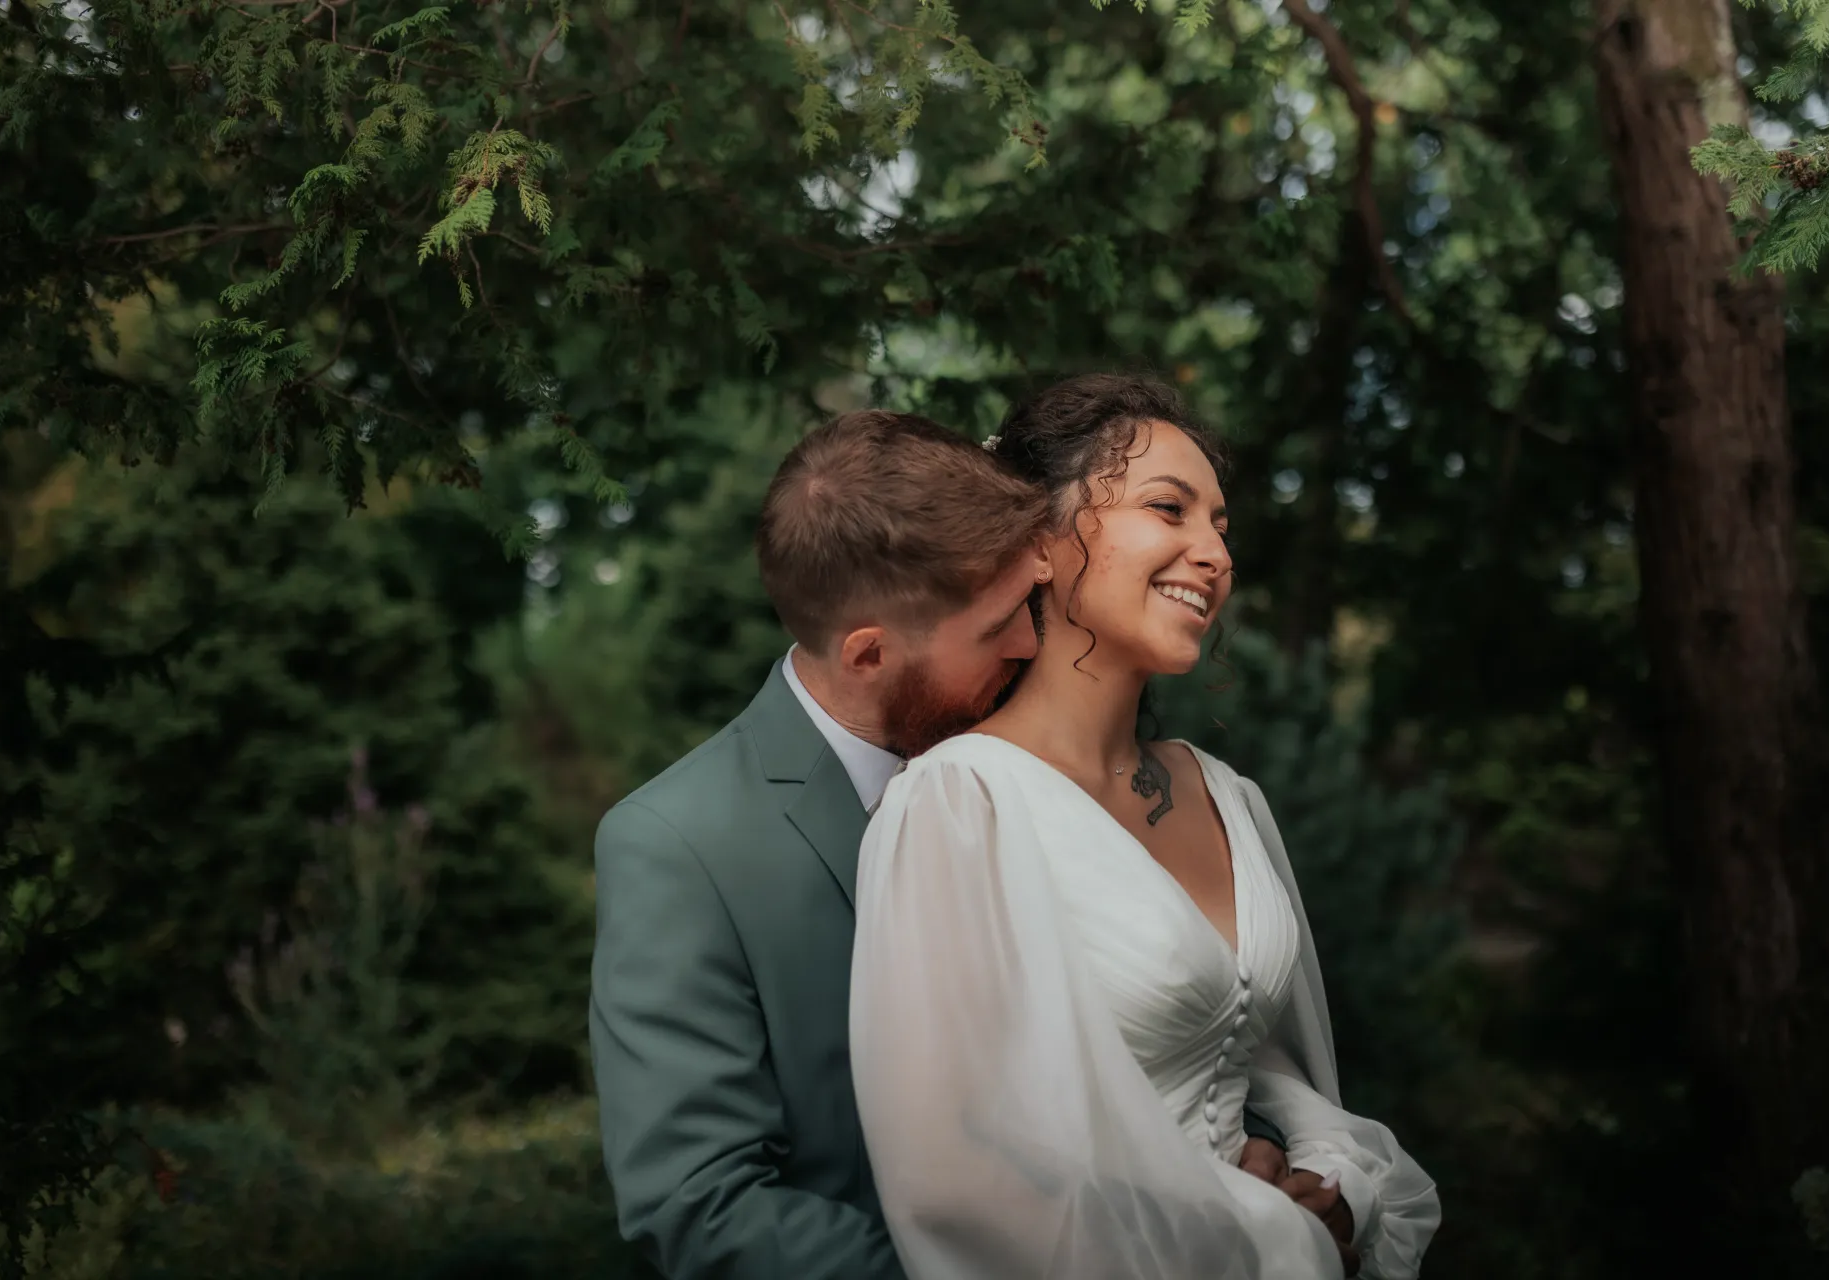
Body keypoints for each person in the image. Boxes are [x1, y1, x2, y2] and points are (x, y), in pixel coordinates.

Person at [850, 375, 1441, 1280]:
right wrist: (1270, 1237)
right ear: (1042, 541)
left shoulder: (1227, 795)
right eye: (1170, 509)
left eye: (1221, 528)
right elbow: (957, 1182)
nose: (1212, 553)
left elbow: (1273, 1068)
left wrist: (1337, 1187)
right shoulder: (959, 805)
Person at [588, 409, 1055, 1279]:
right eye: (998, 630)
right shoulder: (678, 846)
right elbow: (700, 1204)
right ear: (869, 656)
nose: (1032, 643)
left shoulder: (1034, 763)